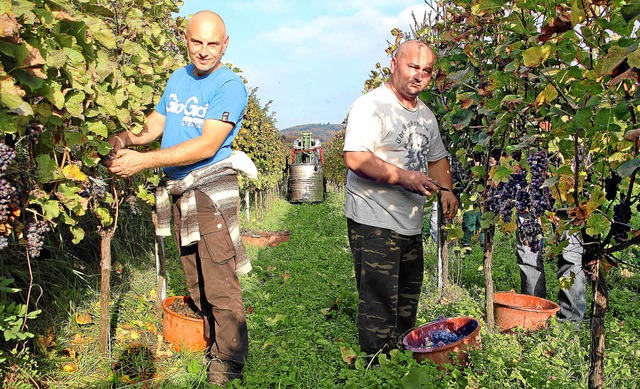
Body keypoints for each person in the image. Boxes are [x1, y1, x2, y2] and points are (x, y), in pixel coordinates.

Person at [107, 11, 253, 384]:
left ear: (225, 44)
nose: (204, 51)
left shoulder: (230, 85)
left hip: (208, 188)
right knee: (193, 271)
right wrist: (126, 139)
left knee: (218, 275)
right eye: (196, 42)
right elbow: (155, 125)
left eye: (212, 43)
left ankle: (229, 361)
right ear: (185, 40)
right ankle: (210, 340)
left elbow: (207, 145)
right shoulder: (177, 77)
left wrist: (145, 161)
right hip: (180, 189)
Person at [343, 40, 458, 361]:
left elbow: (437, 159)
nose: (419, 75)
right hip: (373, 220)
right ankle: (375, 369)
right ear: (393, 65)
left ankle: (403, 361)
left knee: (407, 298)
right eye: (413, 67)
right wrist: (404, 177)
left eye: (427, 70)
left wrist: (447, 190)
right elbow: (355, 157)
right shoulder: (372, 106)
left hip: (409, 222)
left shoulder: (426, 116)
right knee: (379, 300)